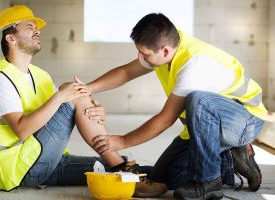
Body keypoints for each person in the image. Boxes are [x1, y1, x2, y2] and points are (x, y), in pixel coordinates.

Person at [0, 5, 167, 197]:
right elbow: (22, 130)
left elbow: (65, 109)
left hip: (49, 161)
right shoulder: (1, 77)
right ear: (10, 38)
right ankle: (121, 168)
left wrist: (93, 111)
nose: (37, 30)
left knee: (113, 165)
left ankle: (155, 175)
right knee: (73, 90)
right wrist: (66, 97)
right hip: (21, 169)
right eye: (29, 26)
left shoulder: (40, 75)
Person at [88, 13, 268, 200]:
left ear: (164, 51)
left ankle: (208, 183)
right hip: (210, 126)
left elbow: (165, 119)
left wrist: (123, 141)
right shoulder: (167, 46)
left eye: (145, 54)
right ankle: (229, 158)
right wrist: (87, 88)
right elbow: (125, 72)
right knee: (163, 178)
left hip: (246, 120)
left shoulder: (193, 64)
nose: (141, 58)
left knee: (200, 100)